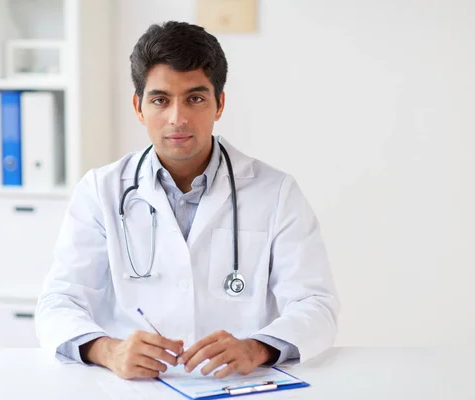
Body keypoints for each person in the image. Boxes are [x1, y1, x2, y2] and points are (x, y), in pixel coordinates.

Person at [35, 21, 339, 380]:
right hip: (135, 387)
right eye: (160, 100)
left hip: (236, 385)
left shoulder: (275, 192)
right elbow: (58, 303)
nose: (177, 118)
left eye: (195, 98)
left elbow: (316, 306)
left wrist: (257, 348)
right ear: (139, 107)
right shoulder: (101, 191)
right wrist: (109, 351)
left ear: (219, 104)